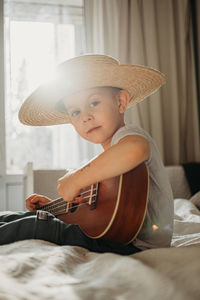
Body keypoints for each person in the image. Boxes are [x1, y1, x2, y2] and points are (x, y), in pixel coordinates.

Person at [0, 54, 174, 254]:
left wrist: (76, 179)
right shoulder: (104, 164)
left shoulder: (129, 136)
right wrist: (52, 207)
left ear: (120, 102)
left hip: (132, 243)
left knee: (36, 225)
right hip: (114, 236)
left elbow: (136, 149)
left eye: (94, 103)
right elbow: (92, 217)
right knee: (21, 217)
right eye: (75, 112)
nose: (85, 117)